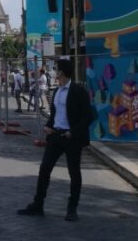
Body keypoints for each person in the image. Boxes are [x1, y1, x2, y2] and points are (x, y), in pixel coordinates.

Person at [17, 58, 96, 221]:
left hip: (71, 138)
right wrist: (48, 125)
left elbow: (89, 116)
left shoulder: (78, 91)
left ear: (62, 72)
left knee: (74, 173)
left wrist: (72, 132)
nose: (54, 72)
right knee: (44, 169)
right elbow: (55, 115)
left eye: (56, 69)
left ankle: (72, 208)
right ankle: (38, 205)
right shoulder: (57, 91)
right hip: (55, 136)